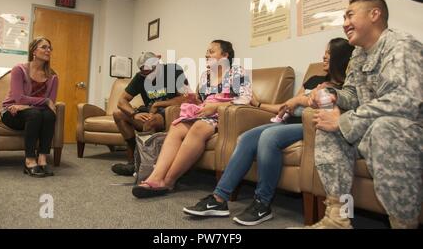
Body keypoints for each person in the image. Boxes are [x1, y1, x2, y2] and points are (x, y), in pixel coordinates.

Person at [183, 38, 354, 226]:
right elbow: (287, 106)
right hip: (288, 121)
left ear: (341, 57)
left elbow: (315, 106)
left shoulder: (347, 88)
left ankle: (262, 203)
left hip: (311, 125)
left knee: (268, 137)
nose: (324, 56)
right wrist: (258, 104)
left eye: (329, 52)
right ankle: (219, 199)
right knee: (246, 137)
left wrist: (301, 101)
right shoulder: (314, 80)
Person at [304, 0, 423, 229]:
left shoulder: (401, 46)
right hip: (369, 128)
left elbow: (404, 101)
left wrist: (345, 121)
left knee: (383, 128)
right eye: (343, 18)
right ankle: (338, 217)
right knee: (326, 124)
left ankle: (403, 224)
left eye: (350, 15)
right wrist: (333, 95)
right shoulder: (358, 54)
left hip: (408, 130)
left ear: (374, 14)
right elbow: (353, 95)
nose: (344, 23)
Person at [132, 40, 253, 198]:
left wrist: (215, 107)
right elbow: (202, 101)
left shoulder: (237, 72)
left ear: (225, 55)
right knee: (176, 126)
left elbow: (245, 98)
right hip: (204, 112)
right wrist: (193, 101)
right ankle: (155, 177)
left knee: (198, 127)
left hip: (225, 115)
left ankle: (168, 181)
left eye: (211, 51)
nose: (206, 54)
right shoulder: (205, 76)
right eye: (207, 51)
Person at [111, 52, 189, 176]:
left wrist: (158, 105)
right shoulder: (140, 77)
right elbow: (121, 101)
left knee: (150, 121)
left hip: (169, 112)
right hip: (149, 112)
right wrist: (133, 114)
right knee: (118, 115)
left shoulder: (174, 70)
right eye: (145, 73)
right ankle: (133, 162)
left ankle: (147, 167)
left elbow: (185, 98)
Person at [1, 37, 58, 178]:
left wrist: (26, 105)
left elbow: (51, 104)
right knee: (35, 114)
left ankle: (42, 158)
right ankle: (29, 160)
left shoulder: (53, 77)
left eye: (49, 48)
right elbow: (19, 98)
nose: (48, 50)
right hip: (11, 112)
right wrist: (43, 101)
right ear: (33, 50)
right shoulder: (19, 69)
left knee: (49, 115)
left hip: (32, 112)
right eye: (44, 47)